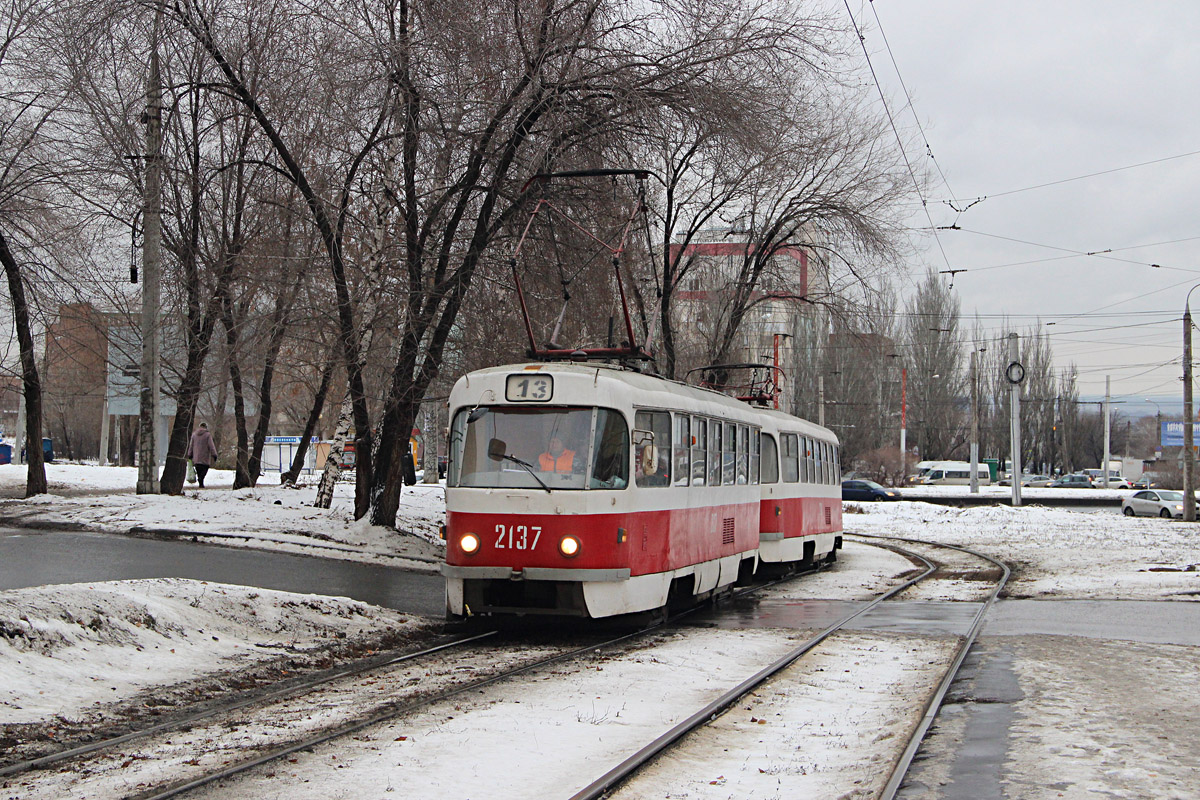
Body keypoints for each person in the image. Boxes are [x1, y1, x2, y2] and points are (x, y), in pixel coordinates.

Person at [186, 422, 218, 488]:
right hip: (205, 456)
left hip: (196, 456)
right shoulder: (207, 435)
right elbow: (211, 445)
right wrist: (214, 454)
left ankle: (201, 483)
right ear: (206, 427)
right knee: (205, 468)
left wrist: (189, 454)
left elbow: (191, 445)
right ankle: (201, 480)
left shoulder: (194, 435)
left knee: (198, 470)